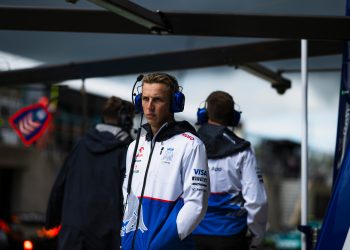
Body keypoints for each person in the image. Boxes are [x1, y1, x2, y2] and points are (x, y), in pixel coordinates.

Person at [121, 72, 209, 250]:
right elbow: (127, 196)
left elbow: (196, 204)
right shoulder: (134, 146)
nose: (149, 107)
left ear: (174, 103)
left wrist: (164, 242)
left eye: (158, 100)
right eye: (145, 99)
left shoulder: (191, 145)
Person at [45, 96, 134, 250]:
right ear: (125, 120)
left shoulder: (80, 145)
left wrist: (51, 220)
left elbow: (60, 185)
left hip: (72, 237)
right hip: (106, 239)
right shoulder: (126, 151)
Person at [192, 91, 268, 250]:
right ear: (234, 117)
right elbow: (256, 201)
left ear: (204, 114)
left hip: (191, 235)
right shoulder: (242, 150)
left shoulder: (188, 145)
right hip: (231, 237)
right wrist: (257, 236)